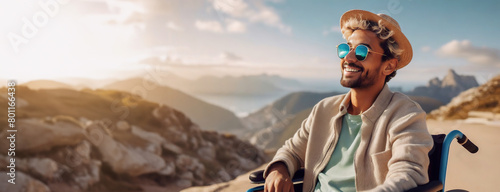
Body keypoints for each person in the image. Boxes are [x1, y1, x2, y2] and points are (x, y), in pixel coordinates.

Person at [263, 10, 433, 192]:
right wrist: (277, 170)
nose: (348, 58)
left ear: (389, 66)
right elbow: (291, 152)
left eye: (362, 51)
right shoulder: (323, 109)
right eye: (346, 49)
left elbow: (408, 173)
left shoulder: (405, 114)